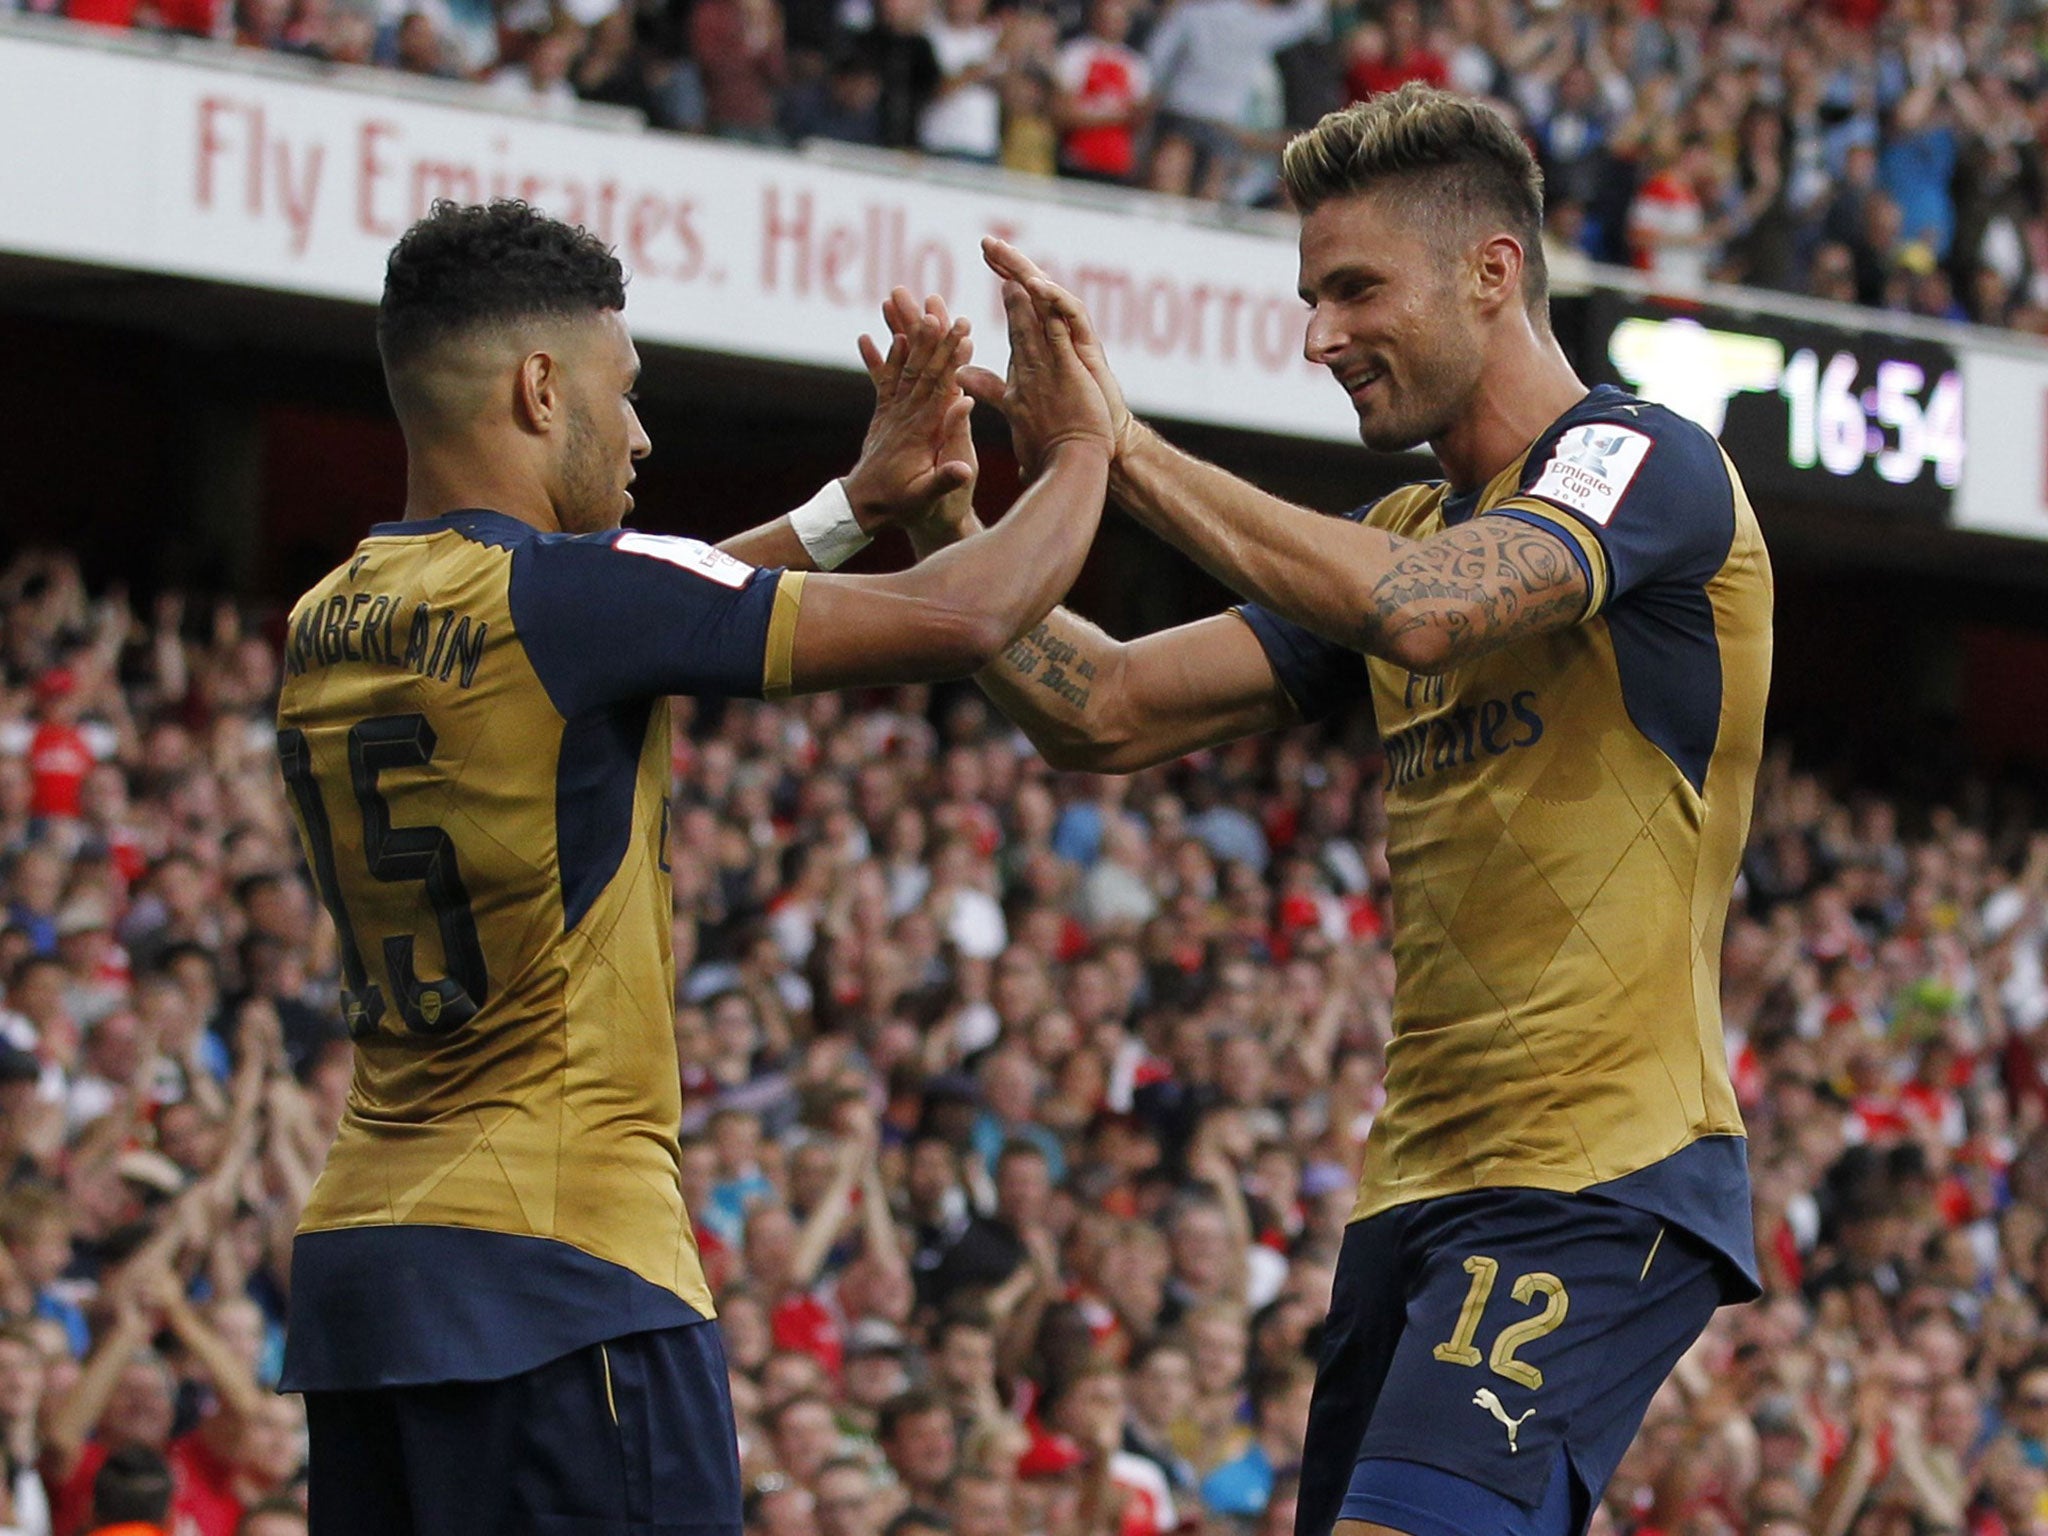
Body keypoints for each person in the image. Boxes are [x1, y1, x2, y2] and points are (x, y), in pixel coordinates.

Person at [908, 82, 1773, 1536]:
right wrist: (950, 522)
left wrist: (1119, 444)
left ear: (1493, 272)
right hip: (1417, 1194)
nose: (1319, 338)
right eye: (1312, 297)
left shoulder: (1642, 466)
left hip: (1597, 1172)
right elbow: (1101, 708)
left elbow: (1427, 617)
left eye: (1356, 290)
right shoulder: (1395, 536)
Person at [272, 197, 1114, 1536]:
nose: (646, 432)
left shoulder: (333, 616)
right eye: (629, 389)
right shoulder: (567, 598)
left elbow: (648, 610)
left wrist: (853, 506)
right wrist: (1083, 447)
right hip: (559, 1273)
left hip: (370, 1275)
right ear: (541, 390)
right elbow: (969, 611)